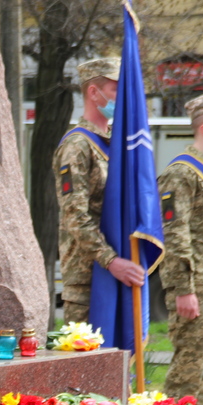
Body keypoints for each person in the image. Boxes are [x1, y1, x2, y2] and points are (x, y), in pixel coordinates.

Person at [53, 57, 145, 324]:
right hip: (89, 278)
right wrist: (111, 260)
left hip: (122, 270)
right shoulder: (77, 146)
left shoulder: (117, 143)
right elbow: (75, 215)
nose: (124, 97)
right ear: (94, 92)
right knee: (86, 363)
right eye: (117, 89)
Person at [158, 91, 203, 405]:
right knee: (189, 362)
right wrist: (184, 288)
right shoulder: (181, 172)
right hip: (198, 282)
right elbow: (174, 233)